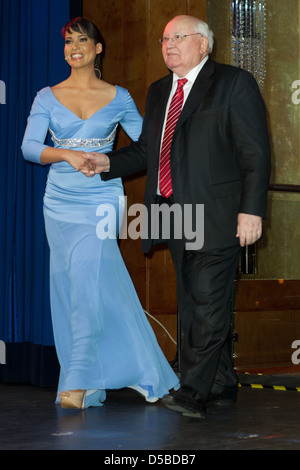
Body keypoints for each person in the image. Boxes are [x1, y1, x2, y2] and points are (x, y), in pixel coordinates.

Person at [82, 15, 271, 418]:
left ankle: (192, 392)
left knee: (207, 302)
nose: (168, 44)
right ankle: (220, 383)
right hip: (171, 212)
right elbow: (148, 151)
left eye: (178, 37)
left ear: (203, 44)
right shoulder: (158, 91)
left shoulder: (234, 83)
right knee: (194, 301)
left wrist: (251, 210)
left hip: (218, 214)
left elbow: (256, 153)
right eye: (165, 38)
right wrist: (105, 162)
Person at [21, 17, 179, 410]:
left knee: (88, 286)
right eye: (68, 41)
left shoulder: (119, 96)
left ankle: (77, 381)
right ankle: (108, 374)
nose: (73, 47)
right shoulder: (46, 96)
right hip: (58, 201)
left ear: (98, 48)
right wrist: (67, 154)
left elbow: (148, 145)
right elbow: (28, 148)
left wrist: (107, 160)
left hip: (101, 200)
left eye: (81, 40)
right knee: (72, 287)